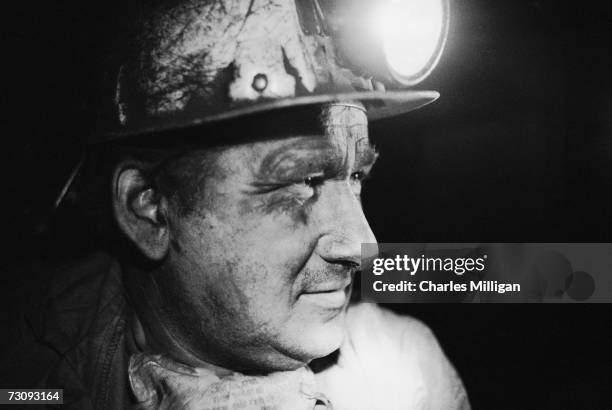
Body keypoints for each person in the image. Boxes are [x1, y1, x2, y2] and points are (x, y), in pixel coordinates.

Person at [2, 0, 469, 408]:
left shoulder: (403, 378)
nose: (362, 244)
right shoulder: (27, 371)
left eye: (356, 178)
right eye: (302, 181)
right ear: (149, 209)